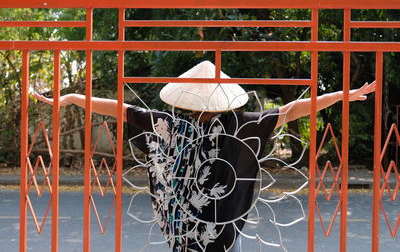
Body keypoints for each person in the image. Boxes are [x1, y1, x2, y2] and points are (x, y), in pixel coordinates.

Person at [33, 61, 375, 251]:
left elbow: (118, 108)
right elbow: (292, 109)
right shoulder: (240, 126)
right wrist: (343, 95)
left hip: (184, 236)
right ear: (225, 100)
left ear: (182, 99)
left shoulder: (166, 125)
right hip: (223, 236)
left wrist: (73, 98)